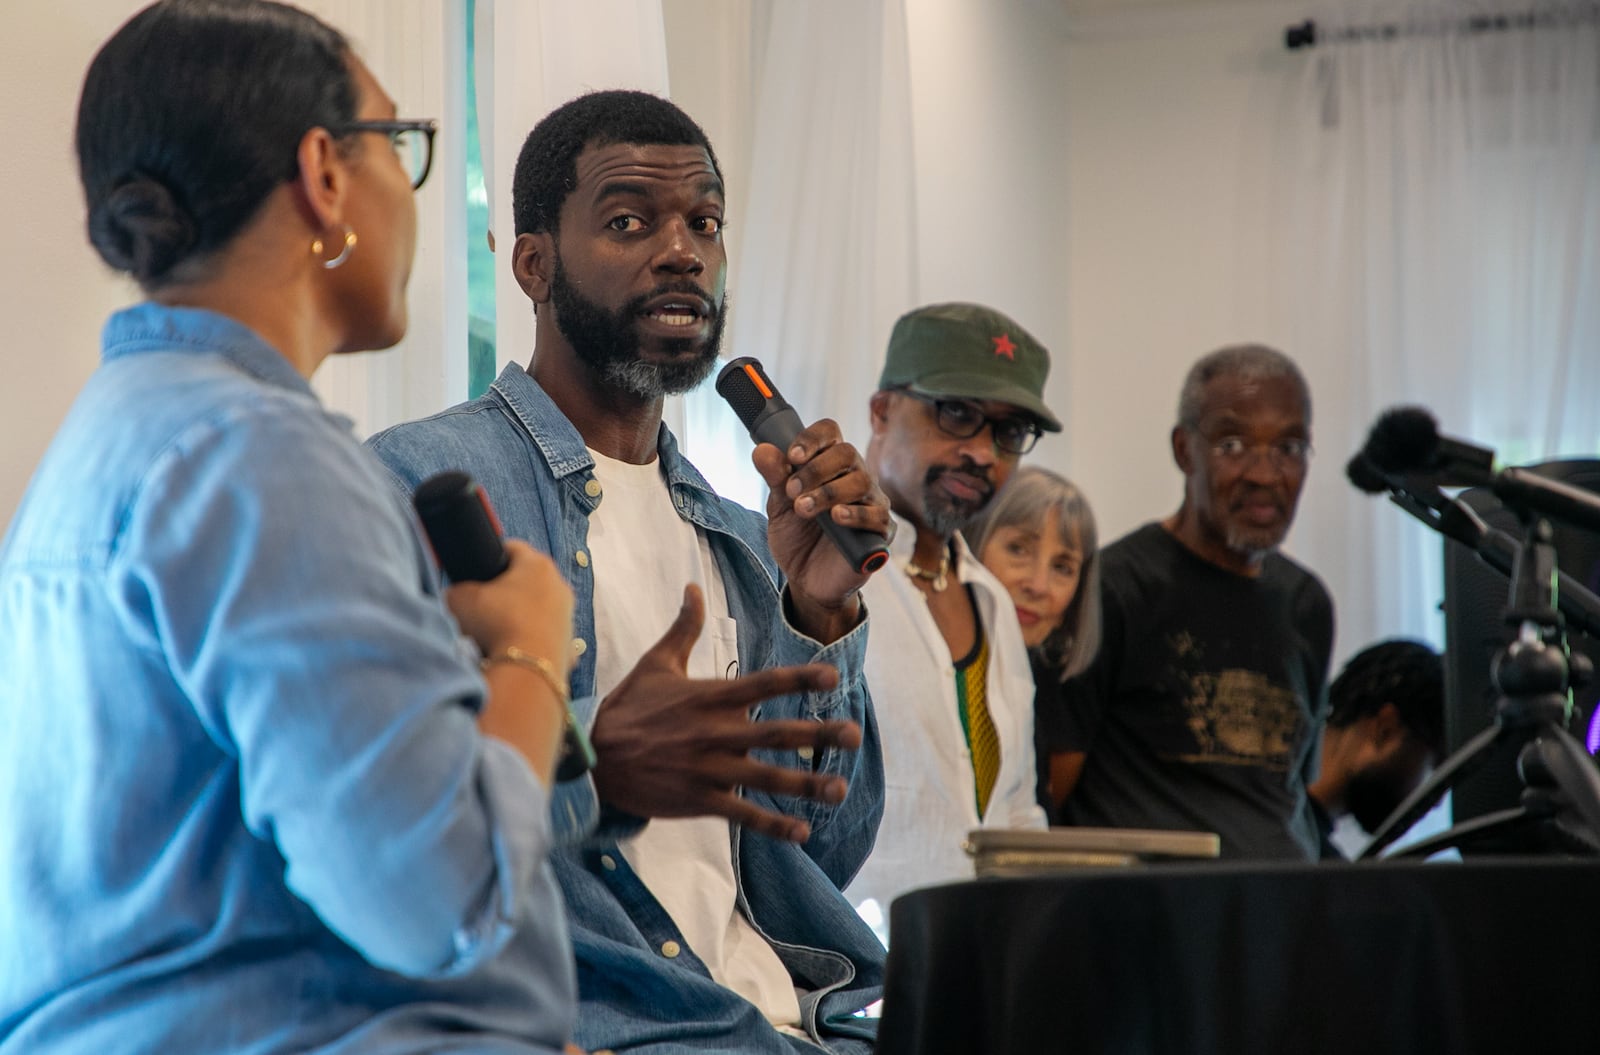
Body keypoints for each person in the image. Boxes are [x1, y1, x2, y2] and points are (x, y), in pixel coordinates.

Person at [0, 2, 583, 1052]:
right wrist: (529, 646)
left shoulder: (113, 438)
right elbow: (440, 895)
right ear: (324, 172)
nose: (412, 195)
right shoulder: (258, 456)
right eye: (399, 145)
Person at [367, 90, 891, 1054]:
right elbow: (396, 839)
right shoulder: (425, 484)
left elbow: (824, 858)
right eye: (628, 221)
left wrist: (820, 612)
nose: (683, 249)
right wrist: (596, 762)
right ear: (533, 263)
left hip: (798, 1024)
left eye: (705, 222)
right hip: (612, 1029)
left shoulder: (743, 536)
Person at [1054, 344, 1335, 860]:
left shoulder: (1308, 604)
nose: (1266, 474)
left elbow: (1291, 790)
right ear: (1185, 450)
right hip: (1151, 925)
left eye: (1290, 448)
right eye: (1233, 444)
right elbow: (1048, 794)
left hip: (1283, 921)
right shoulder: (1112, 587)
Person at [842, 303, 1056, 928]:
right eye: (957, 414)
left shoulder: (992, 601)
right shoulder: (806, 581)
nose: (983, 453)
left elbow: (1016, 815)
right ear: (882, 411)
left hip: (982, 971)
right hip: (845, 997)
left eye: (1009, 432)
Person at [965, 465, 1102, 820]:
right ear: (971, 544)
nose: (1038, 585)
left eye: (1062, 567)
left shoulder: (1050, 690)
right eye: (1018, 549)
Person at [1308, 640, 1446, 859]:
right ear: (1385, 728)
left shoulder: (1280, 832)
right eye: (1435, 767)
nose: (1438, 802)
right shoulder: (1296, 857)